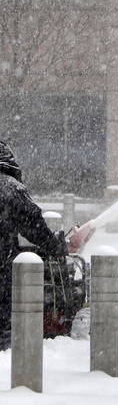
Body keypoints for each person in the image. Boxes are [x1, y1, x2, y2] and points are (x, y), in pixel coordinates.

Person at [0, 140, 67, 350]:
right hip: (2, 265)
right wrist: (55, 246)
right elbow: (33, 225)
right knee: (6, 317)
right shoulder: (10, 187)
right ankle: (8, 351)